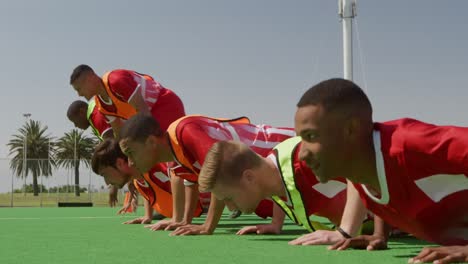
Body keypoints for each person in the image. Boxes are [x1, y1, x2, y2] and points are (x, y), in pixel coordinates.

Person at [295, 78, 468, 263]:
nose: (301, 155)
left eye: (311, 136)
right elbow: (385, 182)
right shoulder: (360, 173)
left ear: (351, 129)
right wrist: (379, 235)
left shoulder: (411, 144)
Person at [118, 113, 296, 235]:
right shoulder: (177, 155)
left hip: (287, 148)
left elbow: (220, 169)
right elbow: (192, 184)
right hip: (278, 177)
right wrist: (181, 221)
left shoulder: (184, 131)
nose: (131, 163)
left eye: (132, 153)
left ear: (151, 142)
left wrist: (207, 226)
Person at [198, 137, 374, 242]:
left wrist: (345, 231)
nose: (230, 207)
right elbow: (283, 188)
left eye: (229, 197)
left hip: (397, 222)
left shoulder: (305, 156)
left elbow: (360, 158)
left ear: (249, 177)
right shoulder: (271, 179)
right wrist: (276, 224)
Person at [91, 138, 209, 224]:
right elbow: (148, 189)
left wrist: (179, 220)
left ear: (120, 163)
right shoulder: (138, 181)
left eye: (104, 174)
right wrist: (148, 216)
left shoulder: (158, 167)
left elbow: (180, 175)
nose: (106, 182)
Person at [69, 64, 185, 136]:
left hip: (164, 105)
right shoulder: (101, 106)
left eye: (79, 88)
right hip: (150, 118)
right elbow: (119, 135)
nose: (79, 94)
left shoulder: (115, 81)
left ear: (90, 79)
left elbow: (144, 112)